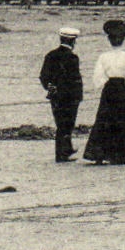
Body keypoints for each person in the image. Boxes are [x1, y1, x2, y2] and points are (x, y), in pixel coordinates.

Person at [84, 20, 125, 165]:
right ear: (123, 39)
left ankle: (99, 153)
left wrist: (104, 84)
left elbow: (98, 76)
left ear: (109, 40)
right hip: (122, 89)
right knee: (123, 120)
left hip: (109, 89)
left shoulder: (104, 56)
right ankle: (121, 155)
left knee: (104, 120)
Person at [39, 27, 83, 163]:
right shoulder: (73, 57)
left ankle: (65, 150)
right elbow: (75, 79)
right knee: (68, 124)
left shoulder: (50, 55)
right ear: (73, 41)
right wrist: (78, 96)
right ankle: (62, 153)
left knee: (60, 123)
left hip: (55, 96)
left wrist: (49, 86)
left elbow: (43, 76)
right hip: (70, 97)